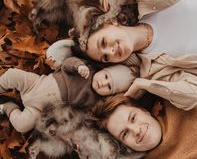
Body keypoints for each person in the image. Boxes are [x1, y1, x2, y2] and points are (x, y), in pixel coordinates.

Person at [0, 56, 136, 133]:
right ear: (104, 69)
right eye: (106, 76)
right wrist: (78, 65)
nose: (103, 83)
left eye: (109, 86)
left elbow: (81, 116)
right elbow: (66, 63)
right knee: (13, 75)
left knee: (22, 126)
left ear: (110, 94)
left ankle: (8, 107)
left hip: (39, 110)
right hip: (36, 84)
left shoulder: (95, 101)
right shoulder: (87, 69)